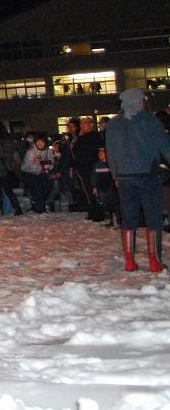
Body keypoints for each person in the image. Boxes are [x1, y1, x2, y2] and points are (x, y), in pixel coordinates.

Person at [105, 88, 170, 272]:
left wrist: (116, 175)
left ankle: (130, 260)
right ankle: (154, 260)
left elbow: (110, 152)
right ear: (139, 102)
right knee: (153, 217)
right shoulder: (150, 120)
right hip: (148, 175)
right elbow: (165, 147)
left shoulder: (113, 124)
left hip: (124, 177)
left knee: (128, 218)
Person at [71, 117, 103, 220]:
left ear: (91, 125)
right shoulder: (81, 137)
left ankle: (98, 212)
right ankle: (92, 210)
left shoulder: (95, 136)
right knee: (87, 190)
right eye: (81, 123)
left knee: (94, 189)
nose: (82, 125)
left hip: (91, 166)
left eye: (84, 123)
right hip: (83, 167)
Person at [91, 146, 117, 227]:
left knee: (113, 204)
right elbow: (93, 177)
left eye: (102, 153)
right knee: (105, 205)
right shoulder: (97, 165)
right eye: (99, 153)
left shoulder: (111, 164)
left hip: (111, 188)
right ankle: (109, 220)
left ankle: (118, 220)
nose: (100, 154)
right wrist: (94, 187)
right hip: (101, 188)